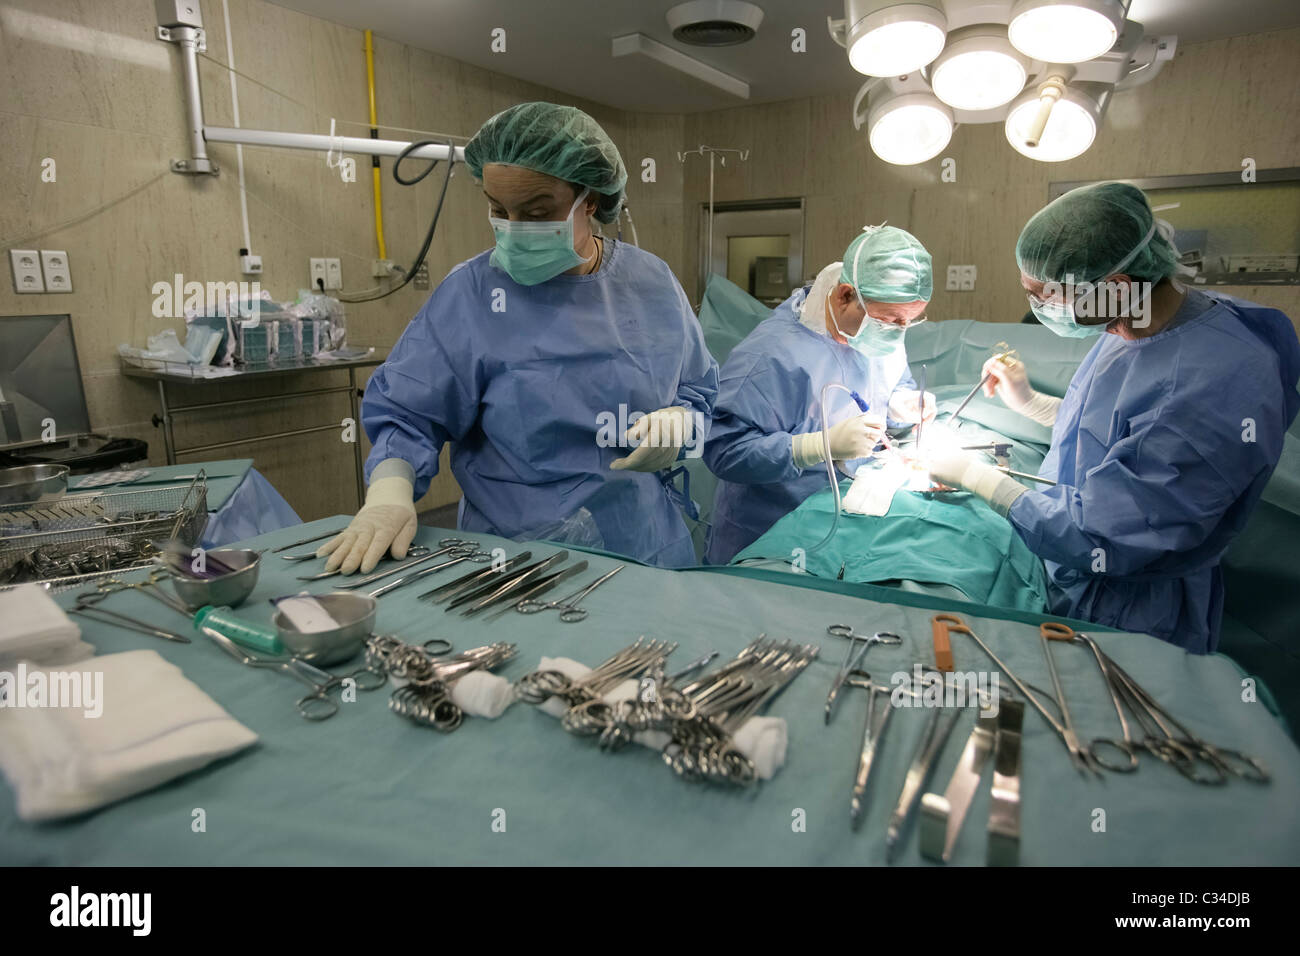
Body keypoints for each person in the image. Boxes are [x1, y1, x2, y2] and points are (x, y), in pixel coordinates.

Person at [320, 102, 718, 573]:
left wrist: (681, 423)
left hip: (643, 546)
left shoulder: (650, 283)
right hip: (513, 560)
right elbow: (408, 413)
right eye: (497, 209)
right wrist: (389, 494)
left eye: (536, 211)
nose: (513, 228)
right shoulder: (470, 295)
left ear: (589, 200)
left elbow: (700, 391)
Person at [930, 182, 1300, 653]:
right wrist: (1029, 402)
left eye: (1047, 295)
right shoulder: (1132, 320)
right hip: (1079, 572)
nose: (1038, 308)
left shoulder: (1211, 382)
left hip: (1131, 609)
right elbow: (1116, 431)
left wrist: (978, 480)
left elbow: (1106, 533)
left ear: (1116, 286)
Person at [703, 225, 936, 564]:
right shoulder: (771, 357)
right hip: (770, 537)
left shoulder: (875, 331)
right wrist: (815, 447)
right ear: (844, 296)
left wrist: (902, 404)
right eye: (890, 322)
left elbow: (893, 382)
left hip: (846, 520)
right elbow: (724, 451)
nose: (897, 332)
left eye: (908, 322)